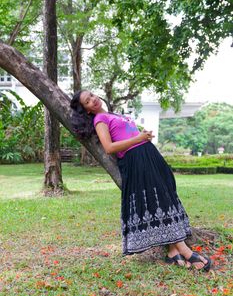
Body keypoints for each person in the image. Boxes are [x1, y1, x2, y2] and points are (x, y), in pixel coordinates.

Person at [70, 89, 212, 271]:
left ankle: (171, 251)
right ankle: (184, 251)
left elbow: (128, 135)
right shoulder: (100, 120)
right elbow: (109, 147)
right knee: (157, 199)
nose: (93, 100)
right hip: (135, 160)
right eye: (87, 101)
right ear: (87, 110)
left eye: (91, 95)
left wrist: (142, 136)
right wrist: (138, 138)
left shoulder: (111, 114)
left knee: (164, 196)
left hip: (146, 154)